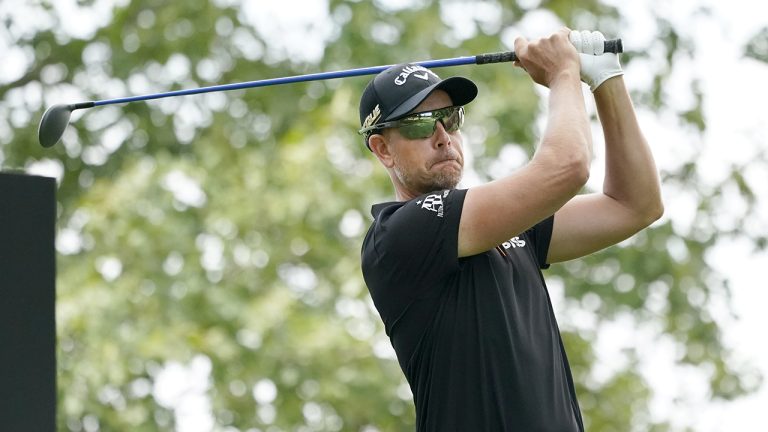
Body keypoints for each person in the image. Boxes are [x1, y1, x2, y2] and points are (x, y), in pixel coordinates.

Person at [357, 28, 663, 431]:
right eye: (419, 124)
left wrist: (605, 80)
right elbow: (568, 167)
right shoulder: (399, 234)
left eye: (450, 119)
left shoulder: (505, 228)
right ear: (382, 149)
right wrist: (563, 75)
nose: (443, 138)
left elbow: (635, 205)